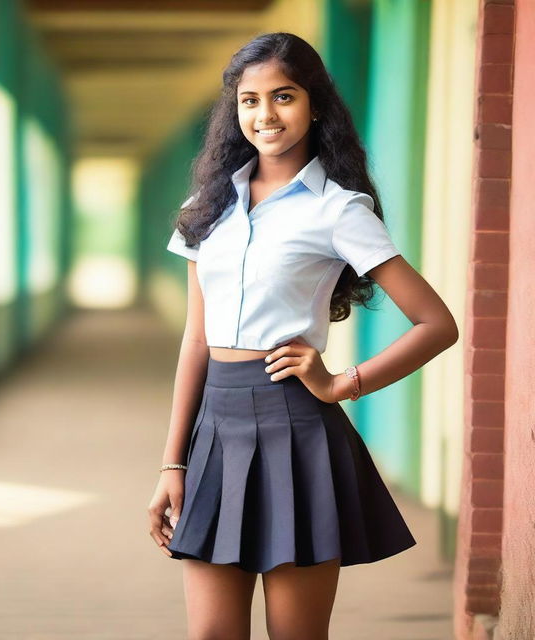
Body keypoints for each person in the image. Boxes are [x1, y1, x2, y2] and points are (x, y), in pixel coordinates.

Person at [147, 32, 459, 640]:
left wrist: (344, 382)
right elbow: (196, 341)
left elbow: (437, 324)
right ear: (234, 112)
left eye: (283, 97)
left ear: (315, 104)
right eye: (249, 100)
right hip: (215, 430)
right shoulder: (204, 210)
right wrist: (171, 462)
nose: (265, 115)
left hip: (298, 433)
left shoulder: (339, 210)